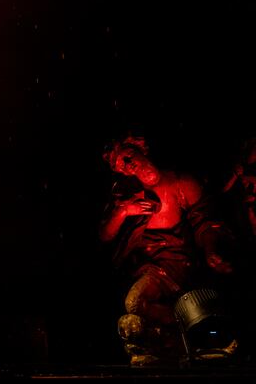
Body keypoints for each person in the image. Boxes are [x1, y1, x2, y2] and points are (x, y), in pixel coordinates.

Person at [100, 137, 234, 365]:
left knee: (140, 307)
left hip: (183, 265)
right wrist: (123, 212)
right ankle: (177, 334)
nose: (127, 164)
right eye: (120, 165)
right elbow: (105, 236)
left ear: (141, 148)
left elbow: (206, 223)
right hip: (150, 268)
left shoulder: (182, 183)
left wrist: (211, 250)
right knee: (134, 308)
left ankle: (192, 333)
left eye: (127, 156)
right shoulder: (127, 196)